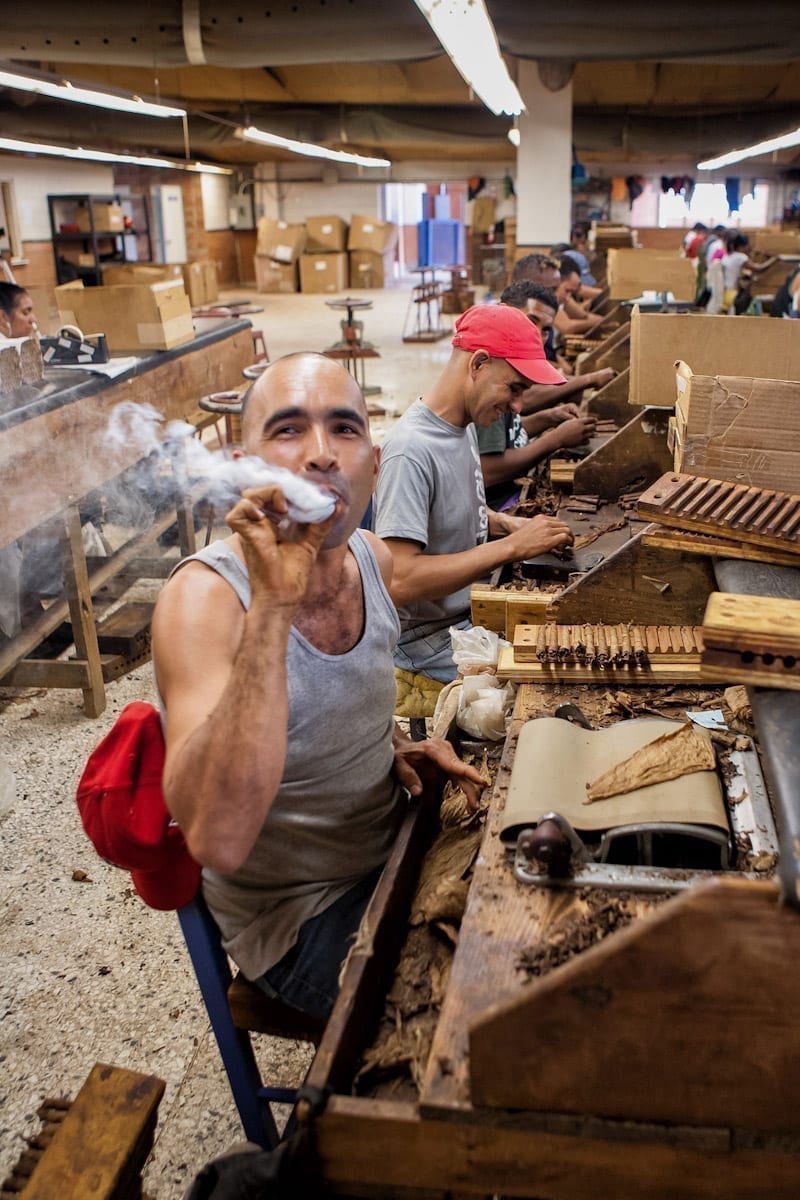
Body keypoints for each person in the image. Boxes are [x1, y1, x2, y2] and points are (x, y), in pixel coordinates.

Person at [151, 352, 484, 1021]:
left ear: (376, 464)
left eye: (345, 429)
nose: (322, 454)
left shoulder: (372, 557)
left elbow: (331, 693)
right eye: (287, 430)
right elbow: (216, 837)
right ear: (245, 462)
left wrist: (385, 745)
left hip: (388, 849)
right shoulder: (204, 600)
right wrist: (275, 604)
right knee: (483, 1012)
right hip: (299, 920)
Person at [373, 304, 574, 684]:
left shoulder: (461, 425)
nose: (517, 406)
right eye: (513, 388)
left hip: (461, 613)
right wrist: (511, 549)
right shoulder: (411, 450)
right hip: (425, 640)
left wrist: (507, 524)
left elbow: (450, 510)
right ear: (478, 364)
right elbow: (398, 579)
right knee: (550, 679)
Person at [475, 282, 600, 508]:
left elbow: (508, 432)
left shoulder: (507, 373)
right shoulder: (494, 376)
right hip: (495, 504)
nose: (538, 335)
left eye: (545, 330)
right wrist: (555, 440)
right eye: (532, 321)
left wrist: (550, 417)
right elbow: (486, 471)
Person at [720, 233, 777, 314]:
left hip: (725, 294)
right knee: (754, 292)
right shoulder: (740, 257)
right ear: (741, 246)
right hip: (733, 295)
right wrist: (774, 259)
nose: (749, 248)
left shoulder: (727, 256)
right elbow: (759, 268)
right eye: (747, 245)